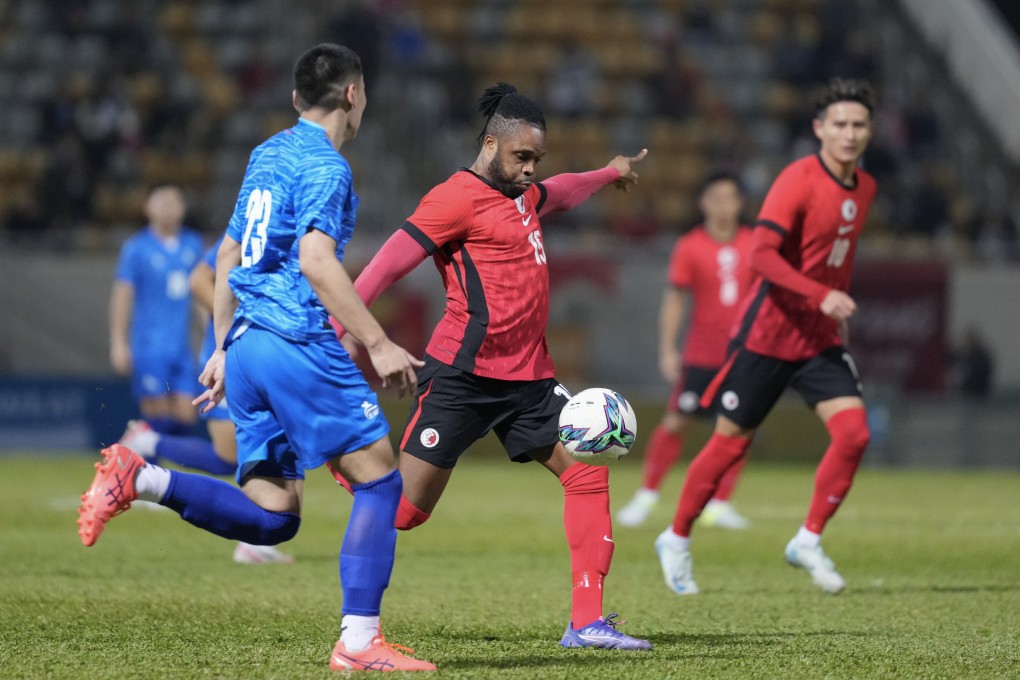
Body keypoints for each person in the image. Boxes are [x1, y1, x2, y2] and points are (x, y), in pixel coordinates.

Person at [78, 43, 436, 672]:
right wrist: (378, 343)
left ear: (298, 98)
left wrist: (220, 347)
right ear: (353, 95)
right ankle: (358, 641)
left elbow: (225, 256)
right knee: (380, 481)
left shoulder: (265, 153)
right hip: (295, 342)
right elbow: (317, 263)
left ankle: (143, 477)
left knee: (275, 519)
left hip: (244, 348)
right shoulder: (329, 169)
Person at [332, 82, 652, 650]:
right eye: (521, 157)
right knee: (403, 513)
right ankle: (337, 456)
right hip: (462, 376)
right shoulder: (453, 199)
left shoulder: (526, 195)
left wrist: (608, 172)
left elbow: (565, 190)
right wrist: (336, 338)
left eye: (536, 160)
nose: (530, 170)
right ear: (489, 144)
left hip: (530, 380)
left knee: (587, 471)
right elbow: (382, 270)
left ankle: (586, 622)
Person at [654, 77, 878, 596]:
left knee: (855, 434)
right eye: (840, 124)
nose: (849, 133)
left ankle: (807, 539)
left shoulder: (865, 188)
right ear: (820, 128)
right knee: (729, 443)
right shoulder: (797, 181)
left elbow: (833, 260)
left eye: (859, 124)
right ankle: (677, 537)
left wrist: (830, 304)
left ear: (870, 130)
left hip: (818, 339)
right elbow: (761, 257)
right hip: (768, 336)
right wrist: (820, 294)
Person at [616, 171, 755, 530]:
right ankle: (647, 495)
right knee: (676, 421)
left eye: (731, 198)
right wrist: (667, 350)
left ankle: (720, 504)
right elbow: (675, 299)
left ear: (740, 203)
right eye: (716, 198)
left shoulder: (756, 244)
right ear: (703, 203)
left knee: (739, 428)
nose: (724, 205)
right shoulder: (690, 246)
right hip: (701, 355)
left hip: (744, 355)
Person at [110, 183, 203, 435]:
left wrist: (212, 333)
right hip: (149, 345)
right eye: (162, 202)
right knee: (157, 413)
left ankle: (162, 469)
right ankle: (148, 470)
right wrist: (119, 343)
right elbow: (122, 297)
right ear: (148, 207)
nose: (168, 209)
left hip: (181, 347)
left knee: (187, 413)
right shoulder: (137, 248)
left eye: (174, 202)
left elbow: (200, 294)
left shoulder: (193, 244)